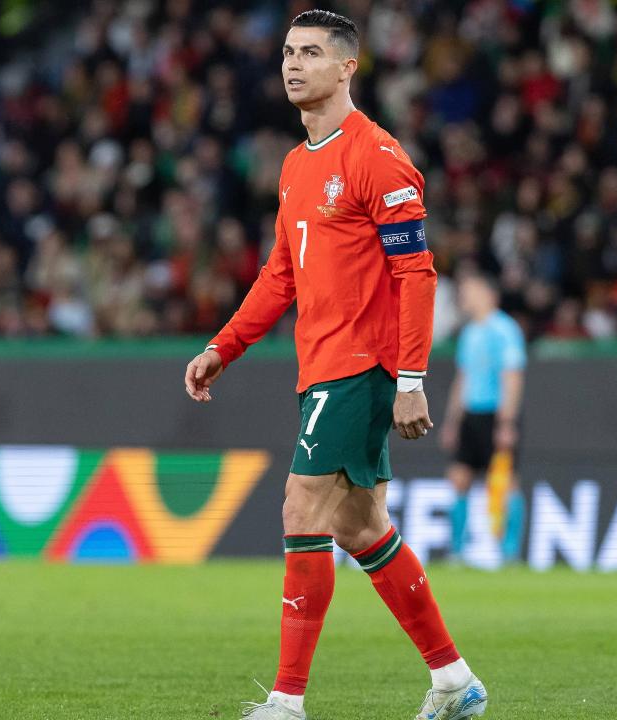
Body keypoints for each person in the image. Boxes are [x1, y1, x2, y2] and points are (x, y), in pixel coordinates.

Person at [183, 11, 487, 720]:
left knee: (301, 505)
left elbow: (416, 273)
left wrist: (411, 378)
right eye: (289, 51)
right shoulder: (296, 165)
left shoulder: (377, 157)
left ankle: (287, 701)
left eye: (312, 53)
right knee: (361, 527)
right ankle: (453, 681)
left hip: (362, 365)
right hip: (320, 364)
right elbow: (280, 275)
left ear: (348, 67)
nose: (294, 64)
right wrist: (223, 346)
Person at [441, 274, 527, 564]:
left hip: (495, 415)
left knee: (505, 481)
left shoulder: (505, 329)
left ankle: (509, 553)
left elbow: (512, 377)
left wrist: (507, 422)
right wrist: (453, 421)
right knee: (459, 479)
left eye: (470, 290)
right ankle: (457, 551)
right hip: (471, 415)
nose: (464, 296)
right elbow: (462, 378)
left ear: (489, 294)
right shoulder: (469, 332)